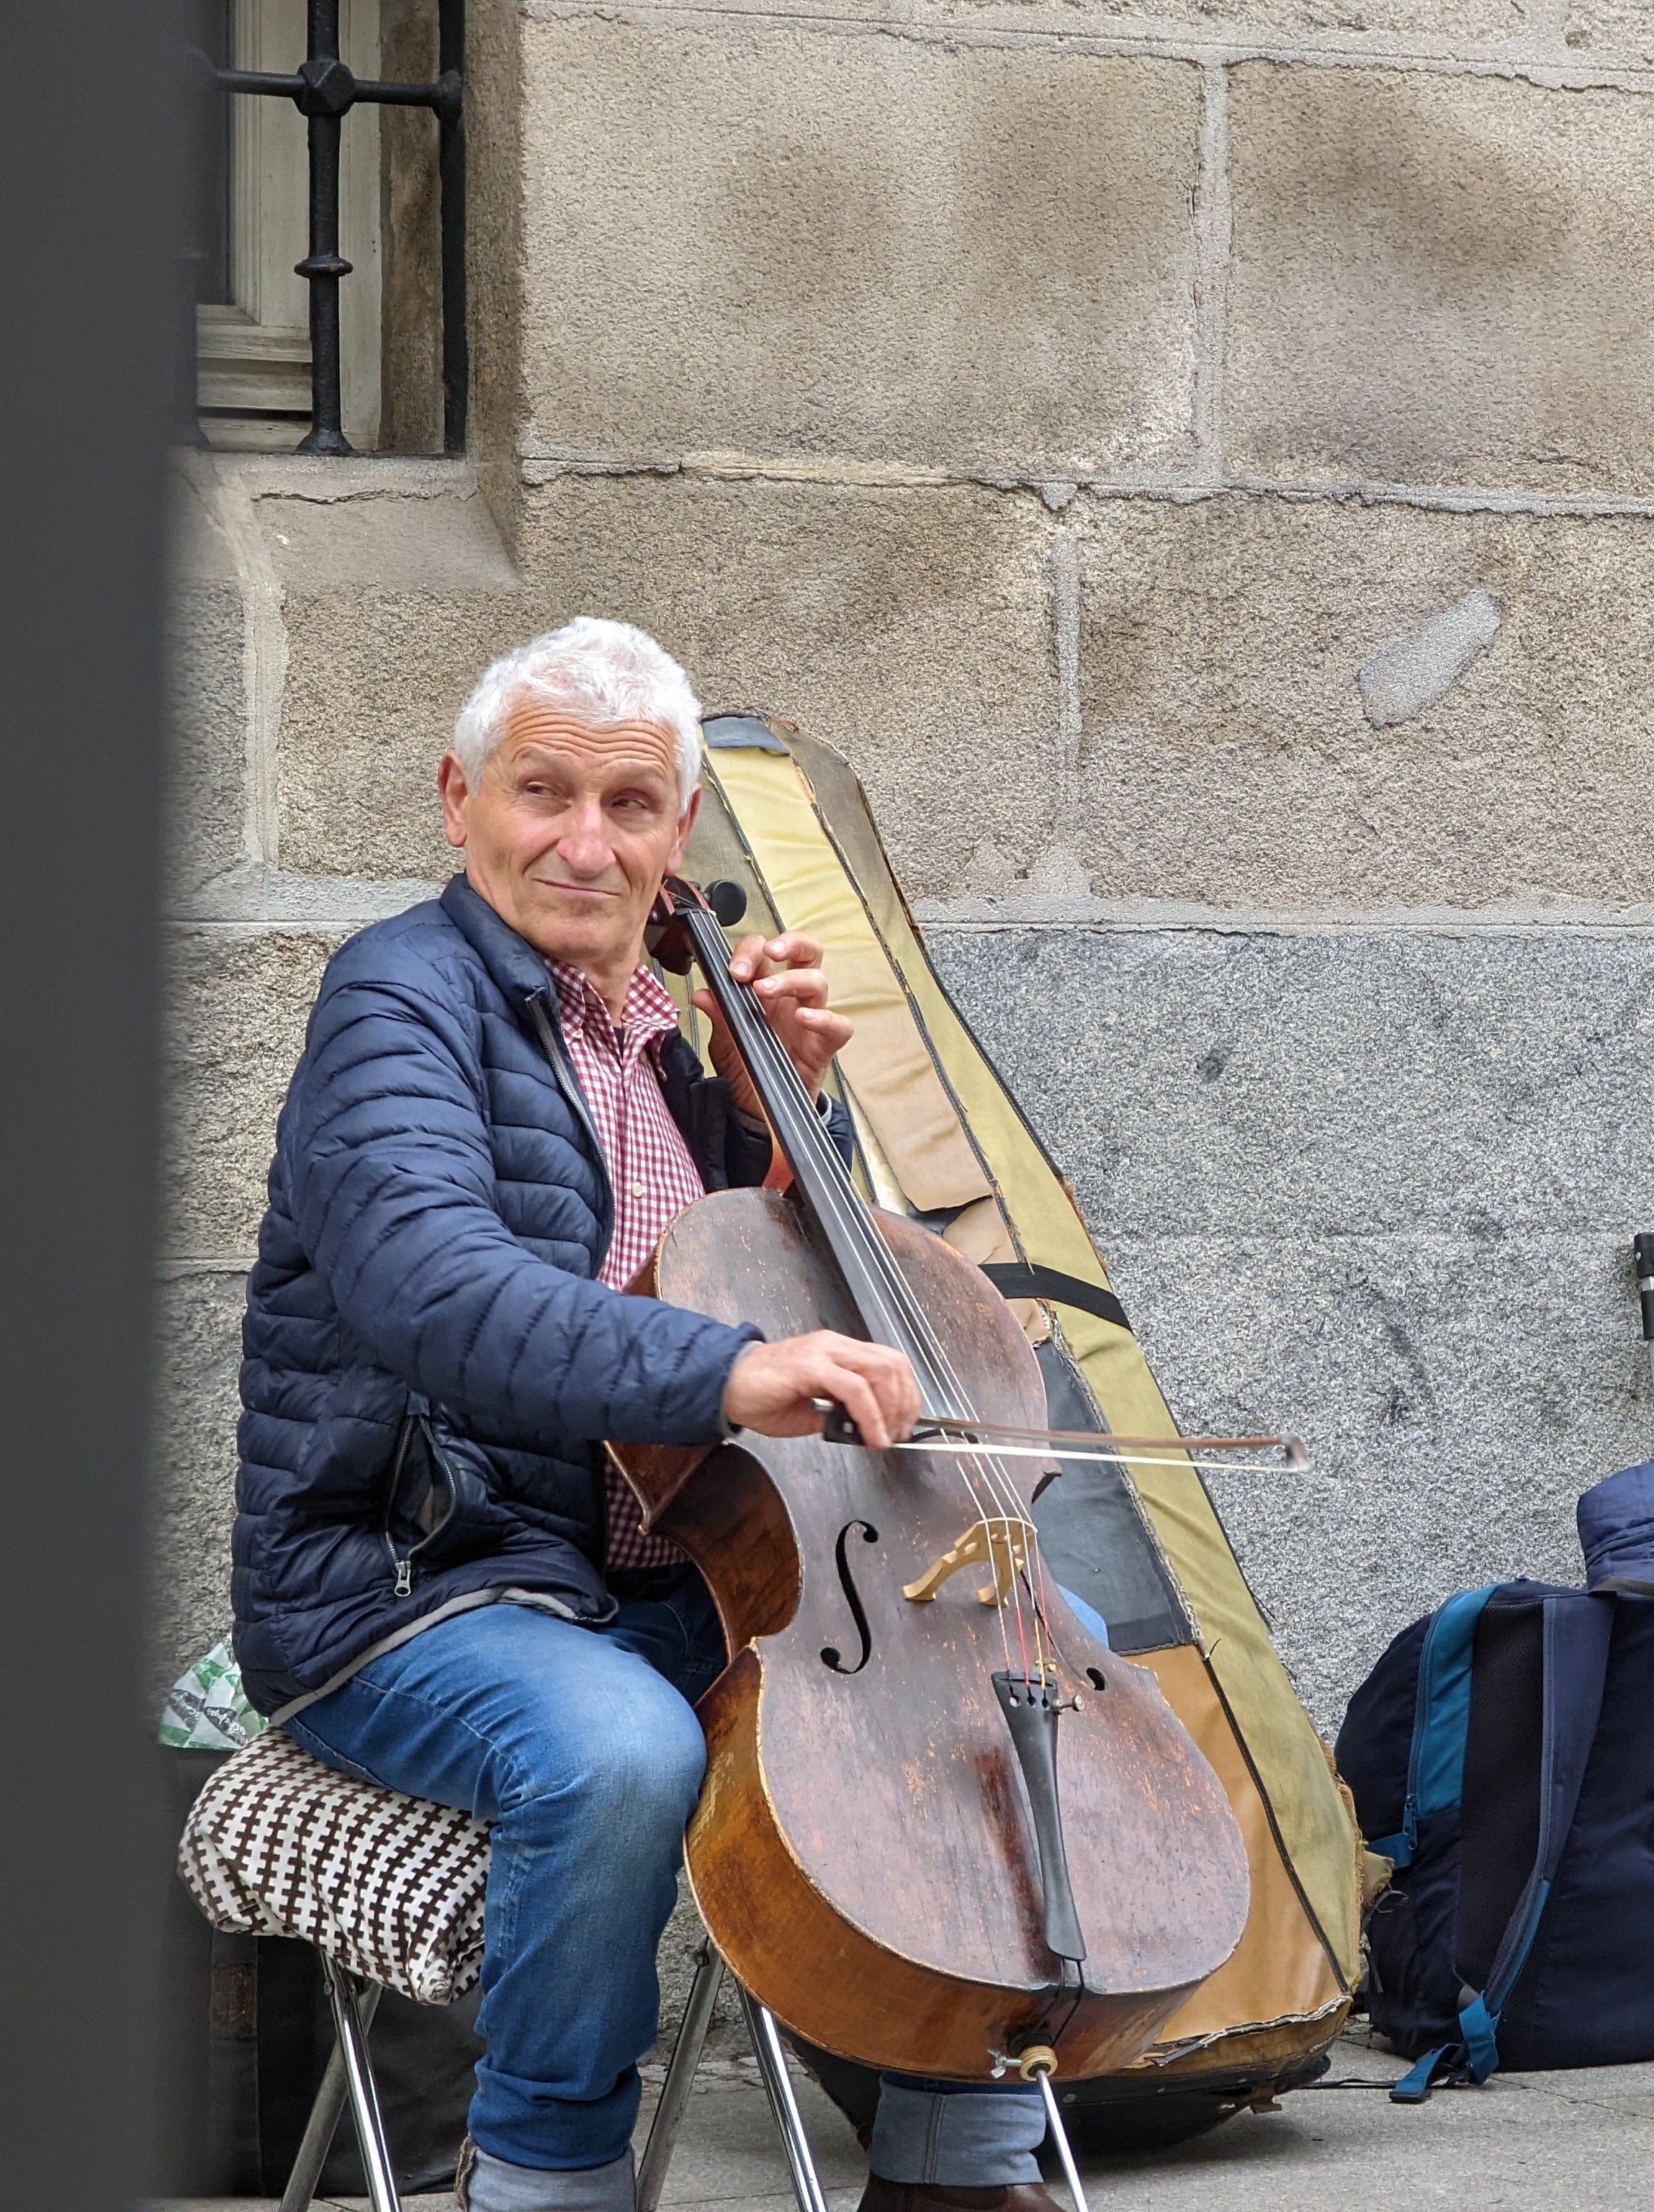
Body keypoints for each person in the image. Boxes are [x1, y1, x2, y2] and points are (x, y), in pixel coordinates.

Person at [233, 617, 1060, 2212]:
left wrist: (775, 1118)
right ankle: (544, 2177)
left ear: (681, 830)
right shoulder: (394, 1004)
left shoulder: (672, 1037)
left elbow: (781, 1285)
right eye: (544, 793)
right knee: (614, 1754)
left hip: (676, 1580)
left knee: (994, 1646)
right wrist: (728, 1377)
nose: (584, 843)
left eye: (630, 805)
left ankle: (957, 2160)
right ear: (460, 797)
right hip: (422, 1590)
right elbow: (434, 1290)